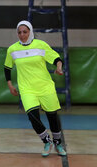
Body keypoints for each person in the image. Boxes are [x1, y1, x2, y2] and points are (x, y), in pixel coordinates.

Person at [4, 20, 67, 157]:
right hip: (27, 89)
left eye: (25, 32)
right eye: (19, 32)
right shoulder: (12, 49)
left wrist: (59, 68)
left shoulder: (41, 45)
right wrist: (10, 84)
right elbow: (7, 67)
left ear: (30, 32)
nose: (22, 35)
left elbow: (56, 58)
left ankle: (58, 142)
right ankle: (46, 141)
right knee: (32, 116)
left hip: (45, 87)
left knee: (52, 117)